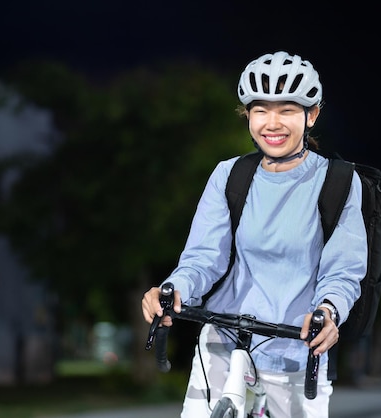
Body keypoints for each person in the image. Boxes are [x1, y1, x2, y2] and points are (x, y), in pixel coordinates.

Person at [141, 51, 367, 418]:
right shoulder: (229, 176)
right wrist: (174, 289)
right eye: (261, 110)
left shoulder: (337, 182)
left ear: (312, 115)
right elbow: (203, 258)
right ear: (247, 114)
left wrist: (328, 311)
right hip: (222, 342)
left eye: (288, 110)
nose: (272, 123)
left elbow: (342, 271)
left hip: (294, 348)